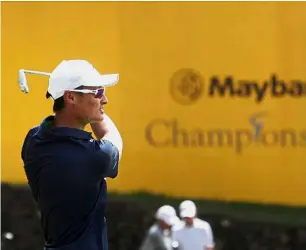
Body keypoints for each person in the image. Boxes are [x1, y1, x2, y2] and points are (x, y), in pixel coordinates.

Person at [21, 59, 123, 250]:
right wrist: (98, 114)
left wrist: (93, 105)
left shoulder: (33, 141)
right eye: (98, 92)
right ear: (71, 97)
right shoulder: (93, 157)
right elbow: (113, 138)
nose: (105, 99)